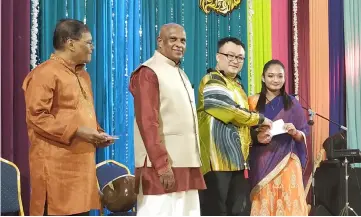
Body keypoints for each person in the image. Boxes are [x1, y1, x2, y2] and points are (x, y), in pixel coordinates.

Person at [22, 19, 115, 216]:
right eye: (88, 42)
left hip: (81, 172)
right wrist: (79, 131)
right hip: (57, 174)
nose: (92, 48)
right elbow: (37, 117)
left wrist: (97, 132)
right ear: (70, 43)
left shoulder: (83, 76)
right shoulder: (44, 74)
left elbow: (79, 113)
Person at [129, 23, 206, 216]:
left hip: (186, 164)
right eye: (173, 39)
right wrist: (162, 166)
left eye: (183, 40)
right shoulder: (149, 72)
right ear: (160, 42)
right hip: (162, 168)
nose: (179, 44)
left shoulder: (179, 72)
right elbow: (147, 122)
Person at [197, 37, 272, 216]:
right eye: (230, 55)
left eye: (239, 58)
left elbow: (237, 125)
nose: (235, 61)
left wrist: (255, 137)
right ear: (218, 56)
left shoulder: (238, 86)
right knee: (216, 211)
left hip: (238, 161)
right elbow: (228, 111)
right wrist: (260, 119)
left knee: (239, 212)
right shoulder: (212, 80)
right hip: (216, 162)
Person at [248, 59, 309, 216]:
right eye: (271, 76)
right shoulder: (252, 102)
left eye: (280, 76)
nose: (275, 80)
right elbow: (245, 132)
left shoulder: (292, 103)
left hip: (288, 161)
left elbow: (303, 132)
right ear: (263, 78)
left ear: (284, 78)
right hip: (262, 160)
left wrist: (295, 132)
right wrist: (257, 135)